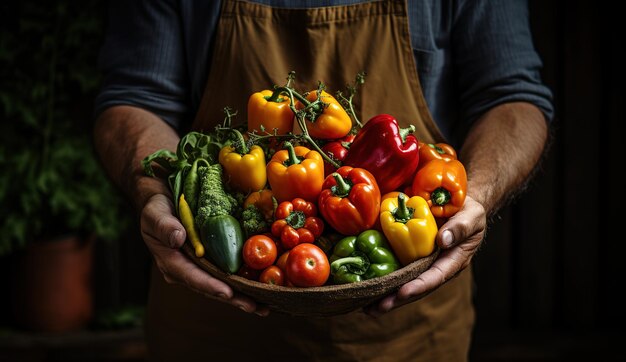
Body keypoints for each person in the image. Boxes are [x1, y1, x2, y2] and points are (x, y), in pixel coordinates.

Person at [93, 1, 553, 361]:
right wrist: (154, 191)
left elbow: (513, 96)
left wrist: (476, 198)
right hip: (216, 324)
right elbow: (134, 97)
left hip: (406, 338)